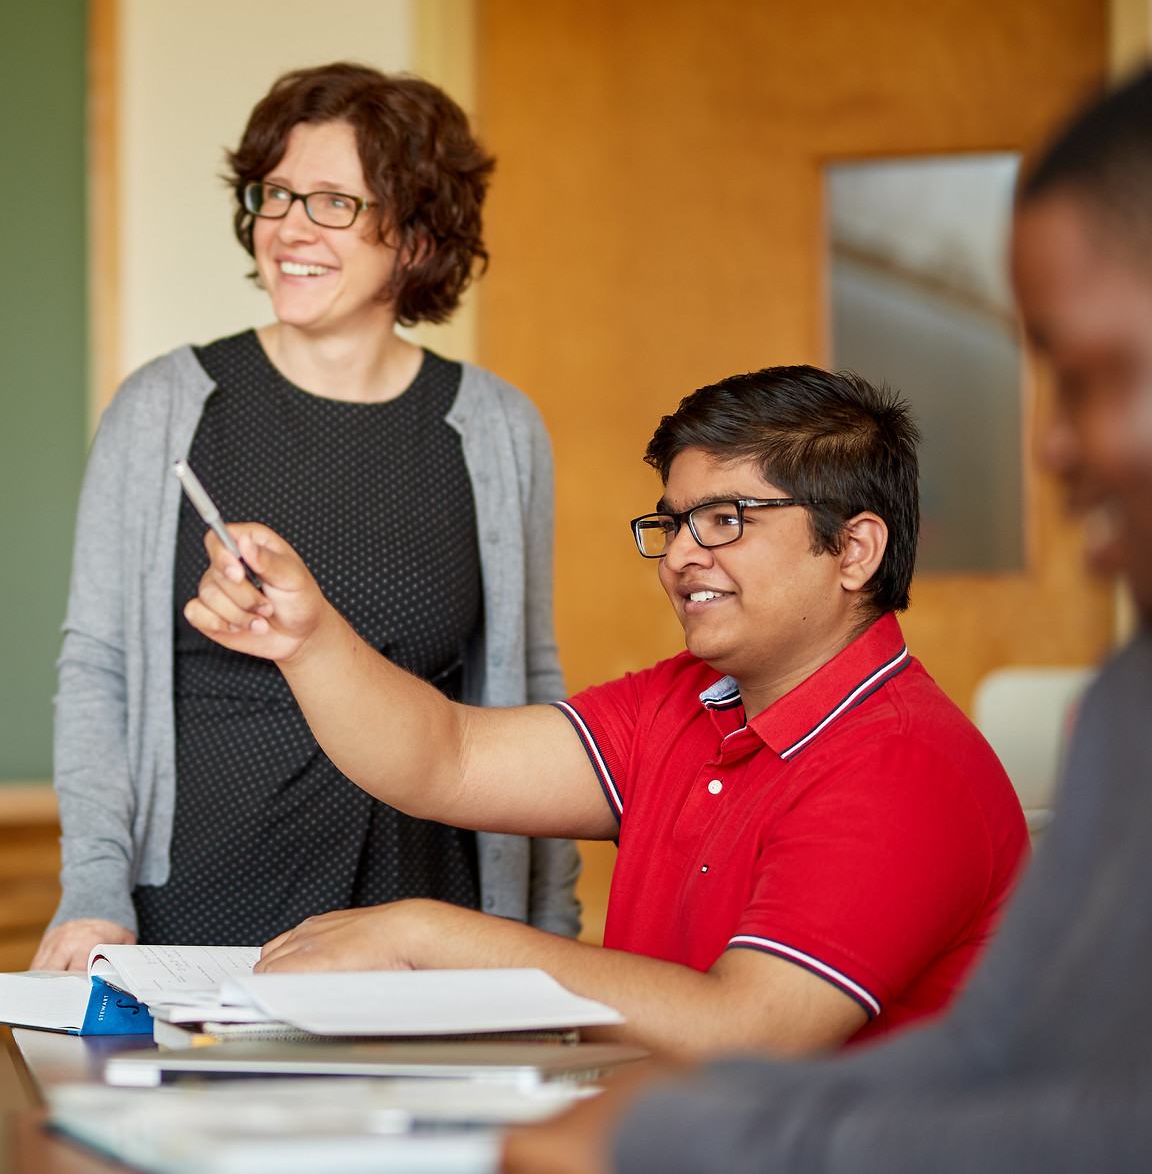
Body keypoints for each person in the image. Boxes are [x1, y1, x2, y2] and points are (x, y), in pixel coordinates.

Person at [503, 68, 1152, 1173]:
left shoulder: (906, 761)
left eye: (1095, 374)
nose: (1048, 447)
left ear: (851, 550)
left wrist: (667, 1131)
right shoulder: (1124, 708)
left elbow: (1097, 1127)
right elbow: (999, 1056)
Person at [187, 365, 1027, 1058]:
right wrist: (306, 638)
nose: (683, 556)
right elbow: (449, 757)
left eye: (725, 519)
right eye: (675, 525)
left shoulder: (905, 767)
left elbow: (751, 1031)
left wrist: (427, 935)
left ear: (853, 549)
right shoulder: (684, 697)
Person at [32, 62, 580, 969]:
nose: (287, 226)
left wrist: (551, 927)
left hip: (428, 920)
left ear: (413, 234)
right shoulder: (166, 406)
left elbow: (532, 684)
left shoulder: (493, 427)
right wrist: (94, 891)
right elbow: (97, 667)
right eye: (275, 194)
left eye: (333, 201)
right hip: (198, 913)